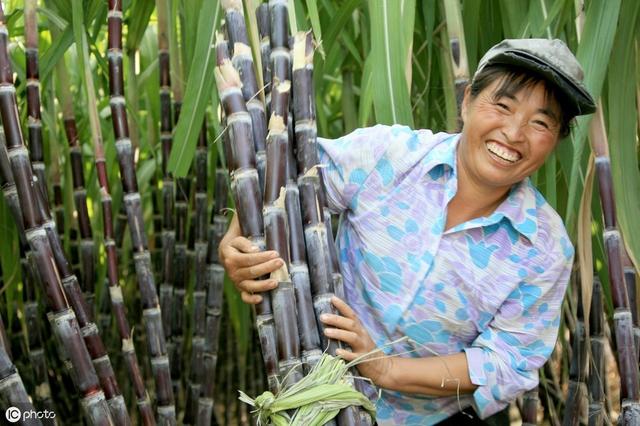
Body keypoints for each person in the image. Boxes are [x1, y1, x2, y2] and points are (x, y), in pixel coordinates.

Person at [218, 39, 596, 425]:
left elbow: (505, 362)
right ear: (467, 101)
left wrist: (387, 369)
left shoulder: (544, 249)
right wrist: (238, 242)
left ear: (556, 140)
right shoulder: (388, 155)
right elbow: (284, 182)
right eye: (502, 105)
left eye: (540, 122)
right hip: (313, 395)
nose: (514, 133)